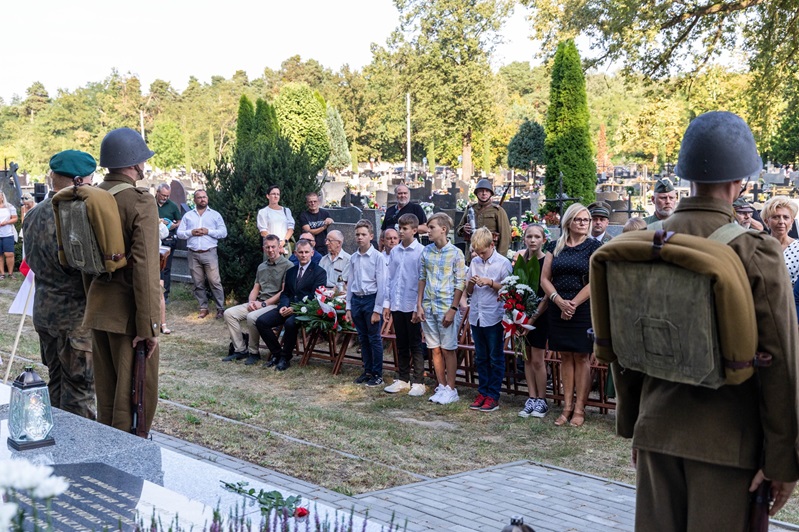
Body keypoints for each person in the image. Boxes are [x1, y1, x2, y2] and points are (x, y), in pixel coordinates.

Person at [614, 111, 799, 530]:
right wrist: (783, 458)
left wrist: (637, 424)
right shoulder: (756, 250)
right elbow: (781, 359)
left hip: (658, 430)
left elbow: (626, 343)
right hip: (728, 444)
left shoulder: (645, 244)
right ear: (741, 180)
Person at [84, 127, 161, 435]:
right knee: (134, 402)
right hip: (129, 316)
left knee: (106, 398)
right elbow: (146, 268)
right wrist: (149, 327)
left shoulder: (93, 196)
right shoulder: (139, 201)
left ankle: (106, 454)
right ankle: (126, 459)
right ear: (133, 162)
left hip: (99, 309)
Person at [23, 150, 96, 419]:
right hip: (74, 318)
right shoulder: (76, 214)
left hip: (45, 311)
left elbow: (31, 260)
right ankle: (80, 445)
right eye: (90, 181)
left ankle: (55, 440)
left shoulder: (33, 214)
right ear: (79, 181)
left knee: (55, 381)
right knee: (80, 390)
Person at [540, 203, 601, 427]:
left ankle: (579, 408)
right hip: (558, 305)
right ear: (569, 221)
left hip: (582, 307)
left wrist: (573, 304)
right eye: (579, 219)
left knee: (582, 357)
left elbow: (596, 280)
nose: (583, 223)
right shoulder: (555, 246)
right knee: (565, 356)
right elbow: (544, 278)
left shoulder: (594, 246)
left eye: (586, 220)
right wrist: (558, 301)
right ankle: (566, 406)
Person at [256, 239, 326, 371]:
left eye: (306, 252)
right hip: (286, 307)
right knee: (261, 322)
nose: (303, 255)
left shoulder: (319, 272)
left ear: (312, 253)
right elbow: (285, 293)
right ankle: (277, 354)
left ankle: (285, 358)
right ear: (295, 253)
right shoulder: (291, 271)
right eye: (301, 252)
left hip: (305, 310)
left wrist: (295, 308)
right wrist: (283, 305)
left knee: (290, 323)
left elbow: (315, 297)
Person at [418, 212, 466, 405]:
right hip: (429, 306)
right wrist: (419, 305)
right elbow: (422, 278)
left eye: (432, 228)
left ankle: (452, 389)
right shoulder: (426, 251)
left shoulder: (456, 253)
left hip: (446, 307)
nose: (428, 231)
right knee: (435, 348)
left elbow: (460, 283)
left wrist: (453, 308)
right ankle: (442, 385)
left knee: (448, 349)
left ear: (443, 229)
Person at [223, 234, 293, 365]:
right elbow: (255, 288)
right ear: (263, 248)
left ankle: (254, 353)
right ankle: (240, 349)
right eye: (267, 247)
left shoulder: (288, 265)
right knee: (229, 313)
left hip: (274, 305)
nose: (270, 250)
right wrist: (251, 302)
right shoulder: (262, 266)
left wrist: (263, 304)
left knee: (252, 317)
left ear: (279, 247)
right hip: (259, 302)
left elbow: (283, 292)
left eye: (273, 247)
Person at [465, 227, 512, 412]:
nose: (480, 256)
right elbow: (469, 291)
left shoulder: (503, 263)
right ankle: (482, 392)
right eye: (477, 252)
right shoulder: (475, 262)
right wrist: (471, 283)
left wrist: (490, 282)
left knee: (495, 357)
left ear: (492, 245)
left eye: (483, 252)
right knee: (481, 357)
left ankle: (493, 395)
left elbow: (509, 290)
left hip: (494, 315)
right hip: (477, 315)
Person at [382, 214, 426, 397]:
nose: (401, 231)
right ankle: (403, 378)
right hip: (397, 303)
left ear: (414, 230)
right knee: (401, 342)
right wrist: (387, 304)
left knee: (415, 343)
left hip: (412, 303)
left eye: (405, 228)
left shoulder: (421, 252)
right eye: (399, 228)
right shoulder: (395, 251)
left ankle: (419, 381)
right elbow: (390, 278)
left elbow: (422, 280)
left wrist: (418, 306)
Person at [346, 219, 388, 387]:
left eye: (363, 234)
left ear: (371, 236)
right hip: (357, 300)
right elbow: (351, 282)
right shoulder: (354, 258)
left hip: (371, 299)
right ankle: (367, 370)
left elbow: (382, 285)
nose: (360, 237)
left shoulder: (378, 257)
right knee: (362, 338)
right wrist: (348, 307)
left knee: (374, 338)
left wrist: (377, 310)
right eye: (357, 234)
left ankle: (377, 374)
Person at [515, 224, 551, 419]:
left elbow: (546, 296)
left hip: (539, 316)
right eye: (529, 236)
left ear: (543, 240)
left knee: (537, 359)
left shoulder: (546, 261)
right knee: (526, 358)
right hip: (522, 316)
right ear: (524, 239)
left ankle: (542, 399)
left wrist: (532, 318)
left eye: (537, 237)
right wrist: (517, 316)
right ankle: (531, 397)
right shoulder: (521, 261)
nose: (533, 240)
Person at [177, 189, 228, 318]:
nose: (202, 199)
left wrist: (208, 231)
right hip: (193, 253)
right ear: (194, 200)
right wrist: (191, 232)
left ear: (207, 198)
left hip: (209, 252)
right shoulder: (188, 216)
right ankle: (203, 308)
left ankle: (220, 308)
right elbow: (179, 233)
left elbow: (223, 232)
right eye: (199, 197)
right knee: (198, 282)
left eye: (204, 197)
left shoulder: (215, 215)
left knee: (215, 281)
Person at [456, 179, 512, 259]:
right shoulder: (470, 209)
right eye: (481, 191)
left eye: (487, 191)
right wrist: (463, 229)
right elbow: (458, 230)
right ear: (476, 193)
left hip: (490, 254)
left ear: (490, 194)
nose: (484, 193)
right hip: (472, 253)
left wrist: (499, 257)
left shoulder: (498, 211)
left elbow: (505, 236)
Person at [762, 195, 799, 285]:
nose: (781, 222)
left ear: (791, 221)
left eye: (786, 217)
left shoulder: (797, 248)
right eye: (776, 217)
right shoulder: (759, 246)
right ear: (767, 221)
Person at [155, 183, 182, 303]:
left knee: (165, 267)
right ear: (157, 193)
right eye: (163, 195)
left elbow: (180, 221)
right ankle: (154, 293)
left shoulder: (172, 205)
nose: (165, 198)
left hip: (168, 239)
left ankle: (164, 295)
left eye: (167, 196)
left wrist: (174, 226)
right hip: (153, 237)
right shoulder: (150, 203)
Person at [257, 185, 295, 253]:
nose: (276, 196)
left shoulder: (286, 211)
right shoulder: (263, 212)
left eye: (278, 194)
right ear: (268, 196)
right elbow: (263, 232)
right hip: (270, 248)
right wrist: (274, 244)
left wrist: (283, 243)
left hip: (285, 245)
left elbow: (291, 229)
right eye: (273, 194)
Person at [0, 191, 18, 279]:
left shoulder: (9, 207)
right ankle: (2, 274)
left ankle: (11, 273)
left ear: (2, 197)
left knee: (9, 254)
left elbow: (15, 218)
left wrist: (6, 222)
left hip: (8, 234)